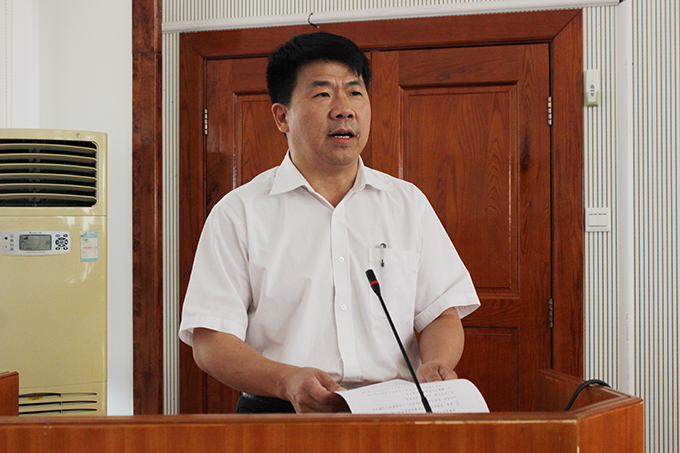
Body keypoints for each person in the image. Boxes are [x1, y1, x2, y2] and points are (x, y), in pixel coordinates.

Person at [179, 31, 480, 414]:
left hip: (392, 410)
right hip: (281, 412)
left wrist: (436, 363)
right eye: (322, 94)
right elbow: (210, 342)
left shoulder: (407, 204)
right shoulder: (239, 213)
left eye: (355, 92)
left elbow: (441, 313)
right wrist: (286, 380)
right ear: (282, 117)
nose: (344, 109)